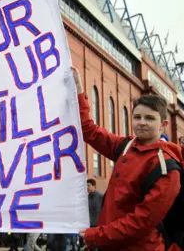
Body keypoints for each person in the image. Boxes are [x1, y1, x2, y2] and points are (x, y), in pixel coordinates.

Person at [72, 67, 182, 250]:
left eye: (149, 118)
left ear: (163, 125)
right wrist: (78, 90)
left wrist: (96, 236)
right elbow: (89, 130)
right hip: (110, 243)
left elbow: (142, 221)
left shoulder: (166, 166)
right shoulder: (126, 146)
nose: (142, 122)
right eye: (137, 117)